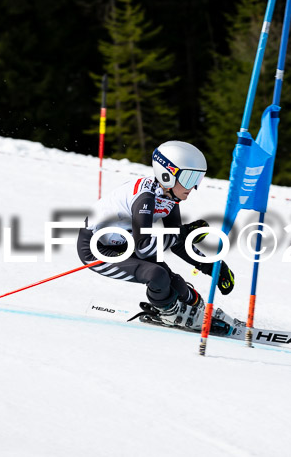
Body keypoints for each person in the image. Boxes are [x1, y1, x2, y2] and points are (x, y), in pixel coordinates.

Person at [77, 140, 235, 330]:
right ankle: (168, 313)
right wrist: (180, 234)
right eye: (189, 179)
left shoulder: (169, 198)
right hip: (98, 249)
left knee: (175, 282)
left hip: (127, 243)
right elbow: (144, 247)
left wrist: (211, 266)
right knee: (157, 275)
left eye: (197, 180)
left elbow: (177, 241)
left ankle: (195, 306)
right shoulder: (145, 198)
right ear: (167, 175)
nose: (193, 187)